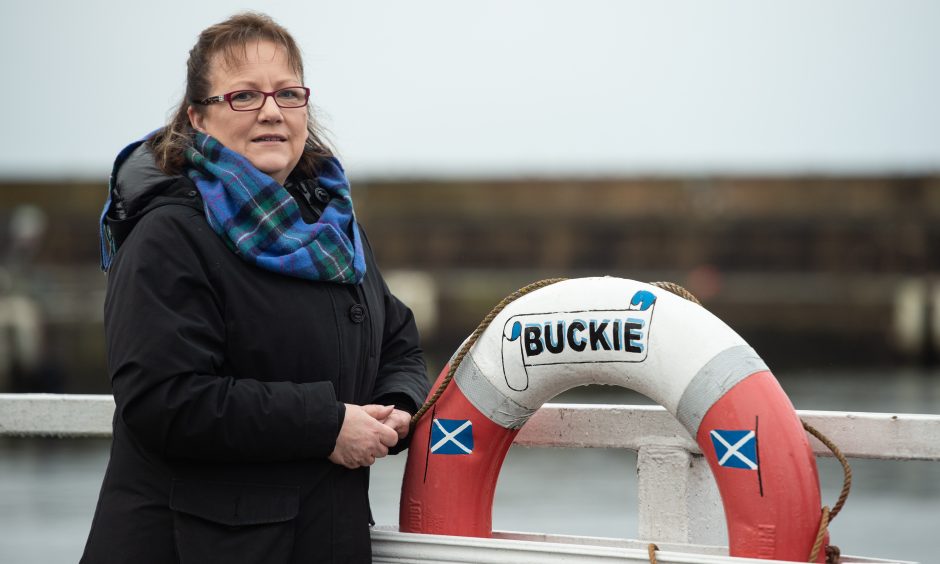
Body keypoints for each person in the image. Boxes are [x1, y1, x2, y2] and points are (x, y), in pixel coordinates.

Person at [82, 12, 430, 564]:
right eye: (243, 96)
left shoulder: (332, 228)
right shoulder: (167, 234)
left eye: (288, 94)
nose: (272, 111)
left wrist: (395, 408)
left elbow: (397, 339)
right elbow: (164, 400)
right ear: (198, 117)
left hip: (321, 535)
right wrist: (326, 426)